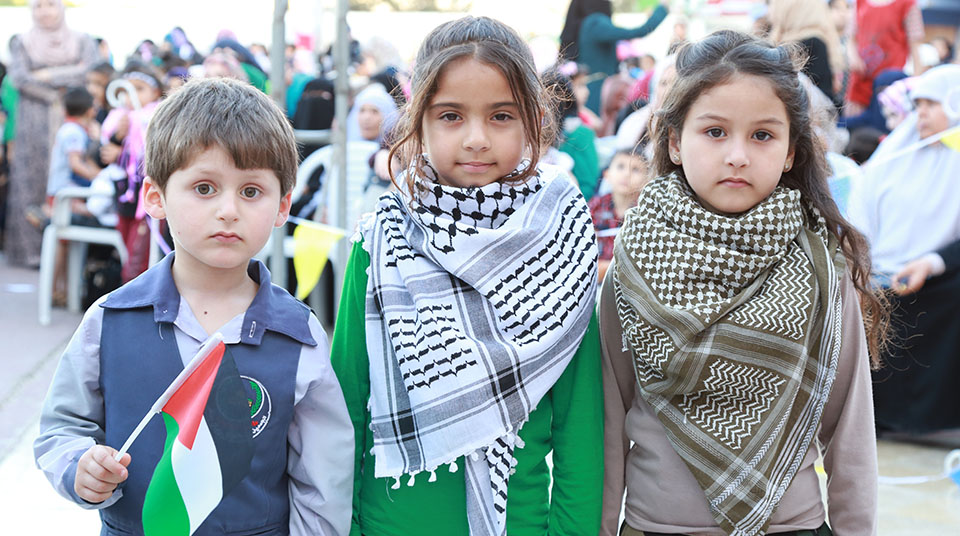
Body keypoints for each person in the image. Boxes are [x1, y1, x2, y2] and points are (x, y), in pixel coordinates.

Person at [33, 77, 354, 535]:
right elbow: (63, 426)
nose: (228, 210)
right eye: (204, 188)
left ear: (283, 206)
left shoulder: (297, 334)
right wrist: (80, 467)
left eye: (251, 191)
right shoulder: (111, 319)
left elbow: (324, 479)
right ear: (156, 197)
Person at [601, 30, 887, 536]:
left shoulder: (821, 263)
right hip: (656, 526)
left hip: (792, 526)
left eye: (762, 136)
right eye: (714, 131)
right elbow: (608, 415)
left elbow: (851, 424)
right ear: (675, 141)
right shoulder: (633, 257)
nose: (737, 155)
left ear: (791, 151)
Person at [331, 16, 603, 536]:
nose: (476, 139)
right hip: (390, 524)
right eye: (451, 116)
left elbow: (580, 421)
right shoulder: (383, 237)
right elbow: (347, 403)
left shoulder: (561, 236)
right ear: (418, 121)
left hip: (519, 524)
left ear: (533, 120)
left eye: (501, 116)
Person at [847, 64, 960, 437]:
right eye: (918, 104)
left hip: (938, 276)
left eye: (932, 104)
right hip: (880, 275)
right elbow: (860, 218)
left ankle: (931, 420)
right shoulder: (896, 154)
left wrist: (930, 263)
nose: (921, 113)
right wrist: (860, 270)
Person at [5, 0, 97, 267]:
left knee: (67, 177)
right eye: (38, 6)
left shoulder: (81, 39)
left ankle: (65, 257)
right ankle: (31, 253)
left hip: (75, 116)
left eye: (50, 4)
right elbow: (20, 78)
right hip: (34, 122)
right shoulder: (22, 41)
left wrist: (47, 74)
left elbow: (90, 69)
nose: (45, 11)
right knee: (31, 181)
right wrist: (58, 89)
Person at [567, 0, 669, 114]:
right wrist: (662, 9)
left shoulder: (586, 24)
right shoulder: (595, 23)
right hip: (598, 93)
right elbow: (637, 32)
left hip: (593, 90)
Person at [845, 0, 925, 116]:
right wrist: (853, 57)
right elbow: (850, 38)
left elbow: (915, 46)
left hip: (888, 86)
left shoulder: (907, 4)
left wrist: (916, 83)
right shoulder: (859, 2)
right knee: (854, 122)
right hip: (861, 80)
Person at [768, 0, 845, 104]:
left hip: (788, 46)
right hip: (816, 46)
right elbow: (829, 30)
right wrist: (836, 68)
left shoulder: (776, 46)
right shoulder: (816, 41)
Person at [589, 147, 648, 281]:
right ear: (607, 174)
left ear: (646, 180)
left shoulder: (645, 213)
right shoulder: (595, 206)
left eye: (635, 170)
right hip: (595, 278)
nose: (627, 174)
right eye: (620, 167)